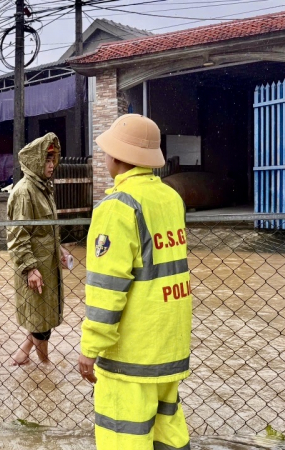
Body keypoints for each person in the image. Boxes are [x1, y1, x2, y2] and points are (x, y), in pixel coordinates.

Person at [78, 114, 192, 450]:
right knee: (167, 433)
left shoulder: (117, 207)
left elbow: (106, 288)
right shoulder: (170, 198)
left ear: (116, 157)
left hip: (131, 355)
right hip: (169, 346)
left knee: (123, 436)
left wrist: (90, 348)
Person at [7, 133, 71, 366]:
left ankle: (24, 357)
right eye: (47, 160)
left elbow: (46, 232)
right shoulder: (25, 192)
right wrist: (30, 269)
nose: (52, 165)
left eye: (53, 159)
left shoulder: (43, 188)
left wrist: (61, 251)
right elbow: (17, 236)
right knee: (41, 322)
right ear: (36, 162)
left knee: (42, 318)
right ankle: (45, 366)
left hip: (48, 266)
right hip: (37, 270)